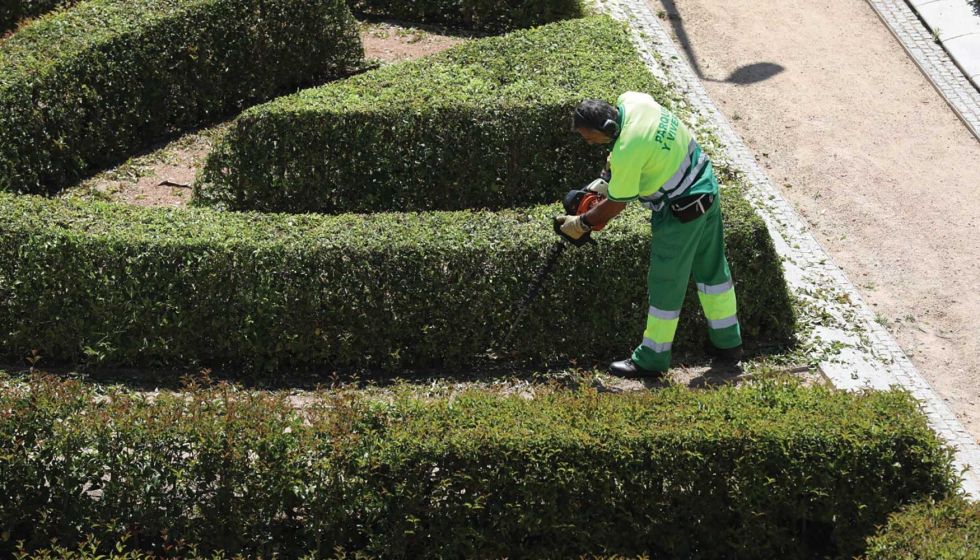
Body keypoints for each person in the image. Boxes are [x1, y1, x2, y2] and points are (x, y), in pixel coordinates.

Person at [556, 92, 742, 377]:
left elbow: (617, 204)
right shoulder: (633, 101)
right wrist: (612, 174)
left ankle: (651, 360)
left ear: (608, 128)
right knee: (713, 272)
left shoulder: (628, 148)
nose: (589, 143)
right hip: (706, 186)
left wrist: (581, 222)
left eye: (591, 138)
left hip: (681, 212)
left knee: (666, 284)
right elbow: (651, 148)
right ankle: (728, 344)